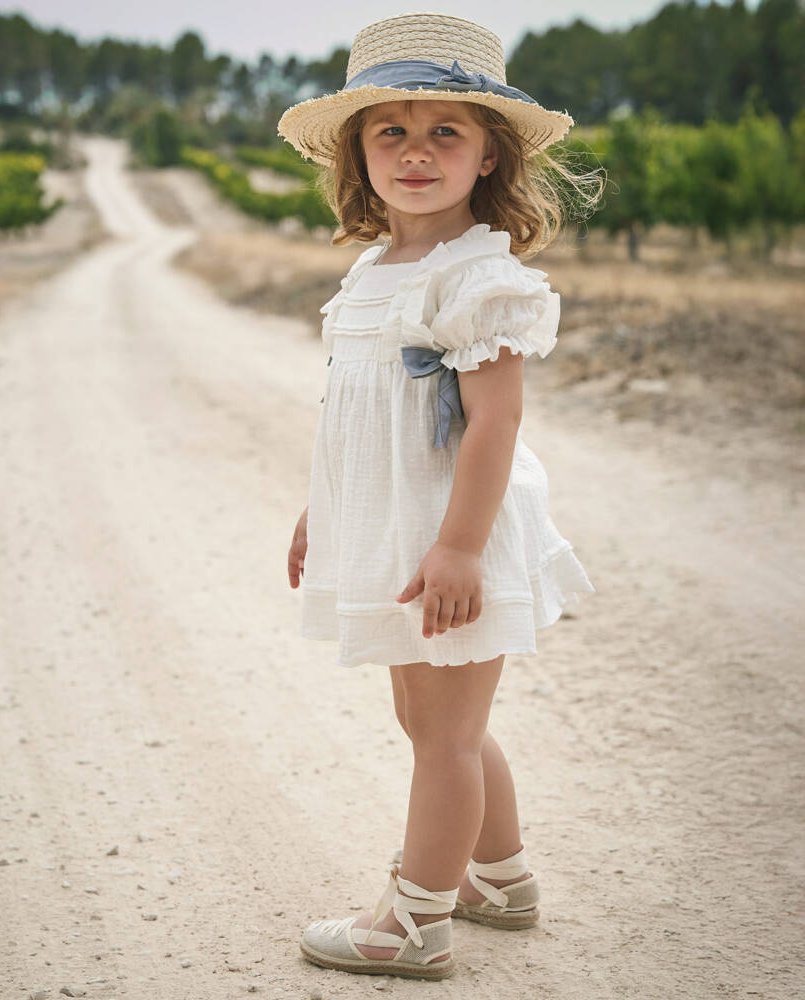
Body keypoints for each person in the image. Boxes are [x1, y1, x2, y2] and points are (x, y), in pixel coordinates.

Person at [277, 11, 604, 983]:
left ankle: (413, 921)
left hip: (455, 537)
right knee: (431, 726)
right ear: (358, 153)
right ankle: (498, 876)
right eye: (392, 131)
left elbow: (494, 421)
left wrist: (460, 547)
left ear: (486, 155)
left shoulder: (478, 276)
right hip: (398, 535)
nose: (416, 152)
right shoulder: (375, 270)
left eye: (444, 132)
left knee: (446, 736)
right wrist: (318, 510)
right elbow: (354, 413)